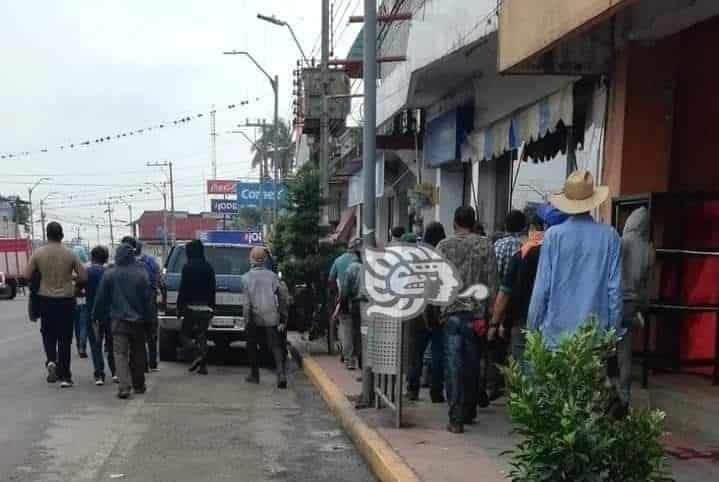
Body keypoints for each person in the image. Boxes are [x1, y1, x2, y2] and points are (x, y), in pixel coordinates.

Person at [528, 170, 623, 349]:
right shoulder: (610, 236)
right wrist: (613, 333)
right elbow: (614, 291)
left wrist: (532, 328)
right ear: (592, 201)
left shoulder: (553, 236)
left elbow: (542, 288)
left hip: (556, 338)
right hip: (594, 338)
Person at [437, 207, 498, 434]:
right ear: (473, 223)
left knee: (453, 366)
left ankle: (455, 419)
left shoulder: (443, 246)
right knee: (473, 365)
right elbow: (493, 283)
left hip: (451, 314)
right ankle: (469, 411)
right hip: (476, 316)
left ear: (454, 223)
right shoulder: (485, 246)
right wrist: (492, 318)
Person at [489, 205, 569, 367]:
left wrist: (495, 323)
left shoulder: (521, 255)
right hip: (555, 324)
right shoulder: (560, 255)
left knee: (524, 374)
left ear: (532, 229)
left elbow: (504, 293)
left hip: (523, 323)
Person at [24, 222, 87, 388]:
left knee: (48, 334)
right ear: (62, 235)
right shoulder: (70, 253)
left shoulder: (38, 253)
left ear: (47, 235)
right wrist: (71, 280)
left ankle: (51, 360)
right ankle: (65, 376)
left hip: (46, 300)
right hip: (66, 300)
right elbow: (83, 276)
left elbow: (26, 274)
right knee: (65, 339)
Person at [92, 242, 154, 399]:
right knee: (138, 352)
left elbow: (101, 300)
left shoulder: (110, 274)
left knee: (120, 354)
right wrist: (151, 321)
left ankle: (124, 387)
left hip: (118, 321)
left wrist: (96, 316)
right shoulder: (142, 273)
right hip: (138, 321)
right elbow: (148, 301)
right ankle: (139, 385)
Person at [615, 206, 654, 406]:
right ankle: (624, 396)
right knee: (625, 352)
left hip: (617, 300)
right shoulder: (649, 249)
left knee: (603, 347)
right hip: (634, 303)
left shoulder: (622, 243)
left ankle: (603, 393)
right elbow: (647, 283)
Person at [406, 221, 447, 403]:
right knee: (438, 351)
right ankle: (436, 391)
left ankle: (412, 388)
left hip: (417, 308)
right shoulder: (443, 254)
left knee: (415, 351)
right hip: (437, 309)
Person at [243, 246, 289, 388]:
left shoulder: (245, 278)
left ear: (251, 259)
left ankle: (254, 375)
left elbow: (246, 303)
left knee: (252, 345)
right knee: (275, 346)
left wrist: (246, 321)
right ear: (264, 260)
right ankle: (281, 374)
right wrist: (283, 316)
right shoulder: (273, 276)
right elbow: (282, 296)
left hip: (254, 316)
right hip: (271, 315)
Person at [176, 240, 216, 375]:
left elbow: (183, 289)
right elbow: (212, 289)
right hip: (206, 307)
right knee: (202, 335)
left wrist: (179, 306)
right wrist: (212, 307)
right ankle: (203, 367)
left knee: (184, 335)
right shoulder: (209, 267)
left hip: (191, 307)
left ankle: (197, 353)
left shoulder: (187, 267)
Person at [329, 239, 361, 367]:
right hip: (362, 302)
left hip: (345, 299)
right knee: (359, 331)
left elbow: (331, 279)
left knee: (346, 330)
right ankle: (361, 359)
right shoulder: (363, 261)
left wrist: (336, 295)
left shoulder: (339, 260)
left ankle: (349, 359)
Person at [86, 245, 112, 385]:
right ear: (106, 258)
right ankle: (115, 373)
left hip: (93, 314)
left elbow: (78, 289)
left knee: (96, 344)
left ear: (91, 257)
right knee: (112, 343)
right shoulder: (110, 272)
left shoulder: (87, 272)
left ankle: (99, 374)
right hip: (110, 313)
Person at [337, 239, 363, 370]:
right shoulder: (374, 266)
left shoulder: (352, 267)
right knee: (363, 333)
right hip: (372, 305)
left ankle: (350, 360)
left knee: (351, 332)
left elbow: (345, 289)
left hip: (356, 304)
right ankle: (363, 362)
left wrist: (342, 304)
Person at [72, 245, 90, 358]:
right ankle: (83, 346)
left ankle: (79, 345)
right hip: (85, 300)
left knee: (77, 325)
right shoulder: (87, 267)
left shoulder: (70, 268)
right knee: (84, 325)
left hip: (73, 300)